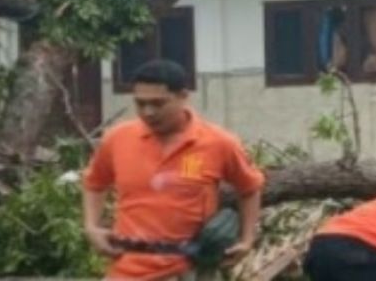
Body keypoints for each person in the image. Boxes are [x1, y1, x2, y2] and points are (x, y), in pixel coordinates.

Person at [82, 59, 264, 280]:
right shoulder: (117, 139)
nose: (148, 112)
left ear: (182, 96)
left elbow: (250, 187)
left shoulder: (218, 143)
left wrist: (247, 239)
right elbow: (94, 183)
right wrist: (92, 226)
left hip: (188, 269)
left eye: (158, 104)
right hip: (126, 268)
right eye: (140, 104)